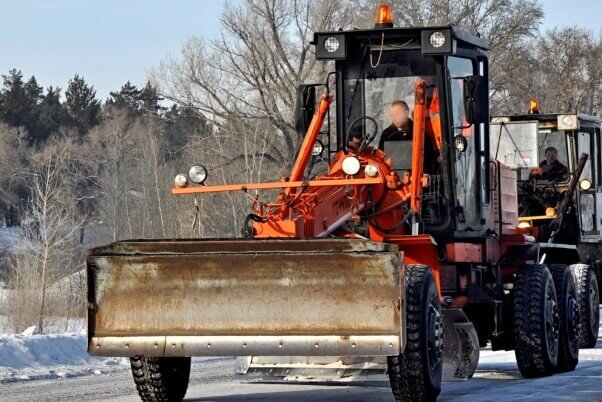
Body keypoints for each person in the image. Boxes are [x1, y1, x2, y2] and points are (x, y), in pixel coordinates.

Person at [378, 100, 436, 173]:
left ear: (406, 113)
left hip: (417, 176)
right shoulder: (386, 134)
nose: (394, 119)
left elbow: (429, 155)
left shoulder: (419, 131)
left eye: (397, 115)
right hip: (393, 178)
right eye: (392, 115)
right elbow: (380, 157)